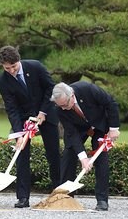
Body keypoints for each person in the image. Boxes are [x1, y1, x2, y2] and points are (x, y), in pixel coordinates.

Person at [0, 46, 60, 208]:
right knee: (21, 155)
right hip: (24, 120)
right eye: (7, 68)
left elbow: (50, 87)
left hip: (46, 115)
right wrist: (18, 133)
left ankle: (59, 194)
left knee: (53, 154)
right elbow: (11, 108)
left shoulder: (35, 66)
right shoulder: (3, 79)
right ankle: (23, 197)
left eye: (14, 66)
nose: (11, 70)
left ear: (19, 60)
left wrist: (43, 112)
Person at [50, 81, 120, 212]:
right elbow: (72, 133)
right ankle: (66, 197)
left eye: (65, 104)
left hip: (99, 123)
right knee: (69, 153)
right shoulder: (59, 108)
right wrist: (83, 158)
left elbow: (110, 103)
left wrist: (114, 128)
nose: (64, 108)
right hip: (78, 128)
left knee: (101, 158)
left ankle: (102, 200)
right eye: (60, 106)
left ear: (72, 95)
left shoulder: (87, 89)